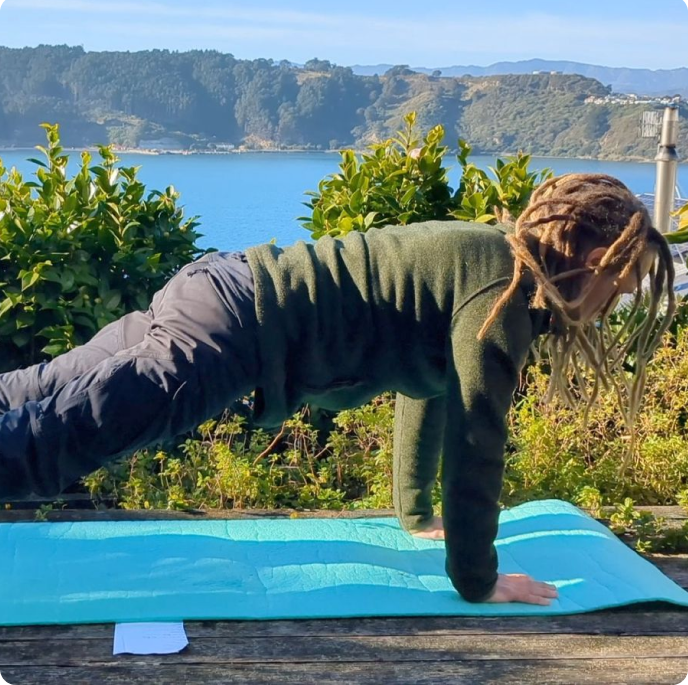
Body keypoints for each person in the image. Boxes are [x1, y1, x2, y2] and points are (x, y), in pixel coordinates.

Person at [0, 173, 675, 606]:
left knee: (31, 395)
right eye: (623, 279)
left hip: (220, 287)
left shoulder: (487, 262)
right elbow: (477, 441)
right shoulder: (504, 293)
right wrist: (477, 578)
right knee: (50, 447)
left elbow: (431, 384)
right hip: (236, 332)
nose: (619, 298)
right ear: (593, 259)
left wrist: (415, 514)